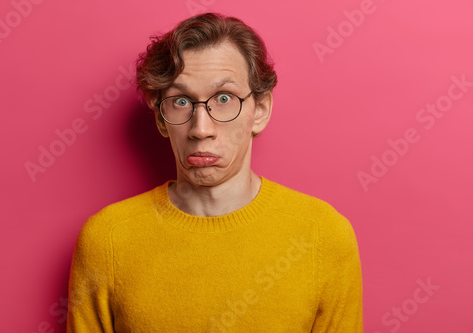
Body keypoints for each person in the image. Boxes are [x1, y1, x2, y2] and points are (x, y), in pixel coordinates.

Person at [67, 12, 363, 332]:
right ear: (161, 119)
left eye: (224, 99)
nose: (200, 129)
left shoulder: (324, 236)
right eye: (181, 101)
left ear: (260, 110)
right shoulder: (107, 240)